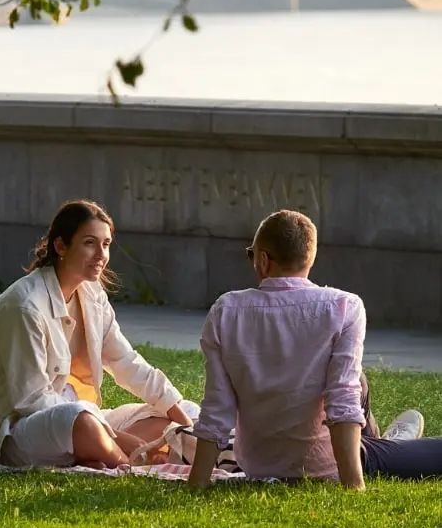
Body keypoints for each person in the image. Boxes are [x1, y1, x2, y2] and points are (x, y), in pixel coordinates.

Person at [188, 209, 442, 489]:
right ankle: (392, 444)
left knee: (353, 379)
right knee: (353, 380)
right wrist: (353, 486)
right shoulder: (343, 306)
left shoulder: (226, 311)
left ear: (262, 260)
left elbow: (217, 406)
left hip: (259, 465)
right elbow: (343, 398)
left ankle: (388, 443)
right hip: (328, 463)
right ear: (310, 257)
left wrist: (197, 483)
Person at [0, 199, 199, 468]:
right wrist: (120, 439)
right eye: (89, 243)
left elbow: (125, 361)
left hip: (88, 421)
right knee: (80, 419)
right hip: (20, 432)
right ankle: (131, 467)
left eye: (106, 244)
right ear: (61, 246)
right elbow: (31, 400)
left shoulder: (92, 294)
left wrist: (177, 412)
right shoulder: (24, 305)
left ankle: (111, 453)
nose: (101, 254)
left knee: (179, 414)